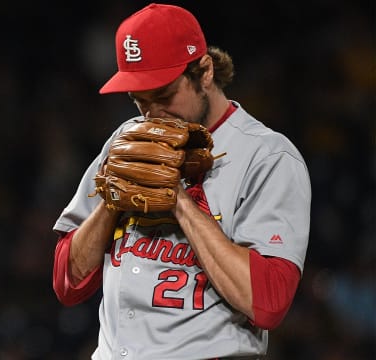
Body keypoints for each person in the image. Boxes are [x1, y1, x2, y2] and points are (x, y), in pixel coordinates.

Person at [52, 3, 311, 359]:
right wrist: (111, 203)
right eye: (140, 101)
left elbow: (268, 303)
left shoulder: (267, 157)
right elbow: (68, 282)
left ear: (204, 72)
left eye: (163, 96)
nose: (152, 114)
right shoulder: (127, 141)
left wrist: (178, 200)